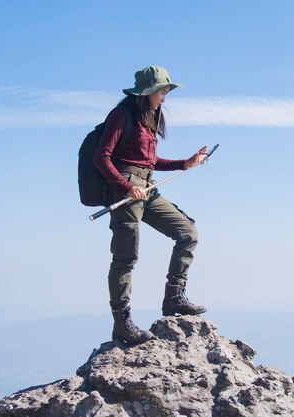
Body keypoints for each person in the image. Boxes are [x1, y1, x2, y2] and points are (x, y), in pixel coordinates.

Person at [93, 66, 208, 346]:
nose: (166, 95)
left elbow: (148, 162)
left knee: (187, 233)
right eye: (163, 89)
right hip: (128, 190)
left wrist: (185, 163)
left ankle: (173, 299)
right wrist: (126, 187)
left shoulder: (149, 118)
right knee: (125, 257)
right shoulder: (122, 115)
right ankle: (122, 323)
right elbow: (102, 157)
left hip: (147, 187)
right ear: (147, 92)